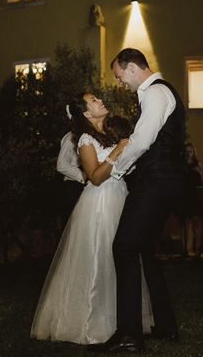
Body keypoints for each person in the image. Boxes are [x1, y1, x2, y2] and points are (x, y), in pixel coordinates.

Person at [31, 93, 153, 345]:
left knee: (122, 257)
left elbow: (120, 169)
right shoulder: (85, 140)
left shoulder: (107, 135)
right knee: (100, 257)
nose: (100, 101)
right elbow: (95, 177)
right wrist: (118, 150)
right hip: (100, 203)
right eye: (94, 101)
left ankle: (123, 321)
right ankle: (91, 321)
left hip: (119, 196)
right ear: (86, 113)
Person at [91, 48, 186, 353]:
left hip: (156, 181)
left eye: (120, 76)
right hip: (165, 179)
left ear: (132, 68)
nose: (121, 83)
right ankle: (165, 324)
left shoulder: (155, 93)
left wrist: (116, 170)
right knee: (143, 249)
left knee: (124, 246)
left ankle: (130, 332)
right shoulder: (158, 92)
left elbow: (142, 140)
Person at [55, 130, 86, 229]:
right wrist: (82, 175)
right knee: (73, 226)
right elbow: (61, 165)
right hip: (73, 186)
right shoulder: (70, 137)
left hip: (85, 186)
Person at [182, 142, 203, 258]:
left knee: (197, 224)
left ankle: (198, 250)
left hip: (196, 197)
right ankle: (187, 250)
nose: (188, 154)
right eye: (186, 151)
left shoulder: (198, 164)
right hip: (185, 197)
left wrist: (200, 173)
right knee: (185, 224)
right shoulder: (181, 165)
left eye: (190, 151)